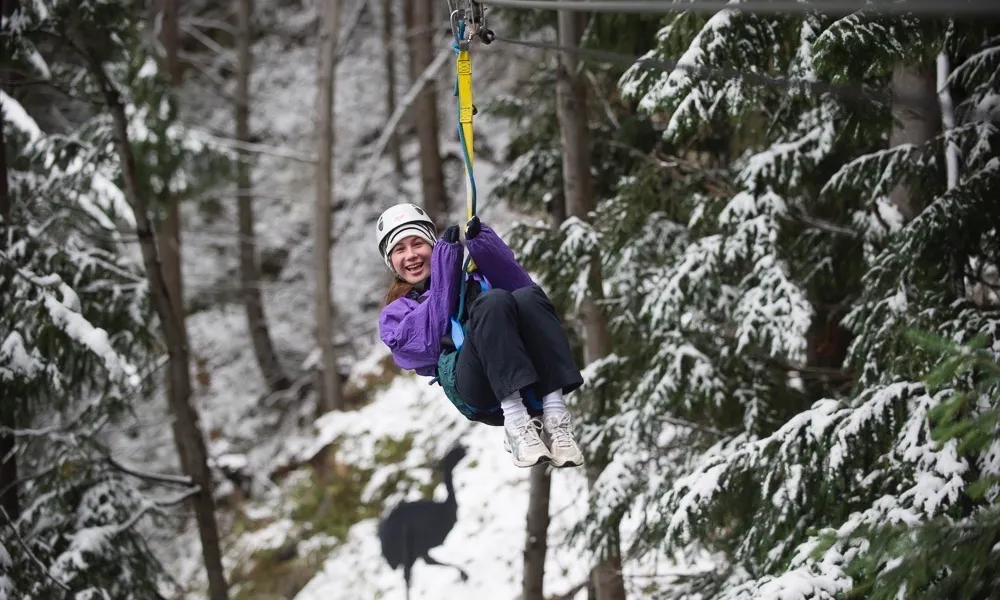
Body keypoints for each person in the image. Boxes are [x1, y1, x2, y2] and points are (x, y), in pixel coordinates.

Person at [375, 202, 586, 468]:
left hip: (525, 374)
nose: (411, 255)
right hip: (475, 386)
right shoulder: (396, 314)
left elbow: (524, 292)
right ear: (391, 261)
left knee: (528, 296)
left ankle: (556, 420)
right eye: (399, 250)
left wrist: (485, 248)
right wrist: (446, 271)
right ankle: (516, 423)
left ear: (432, 244)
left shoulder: (471, 280)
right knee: (491, 302)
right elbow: (428, 341)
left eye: (417, 244)